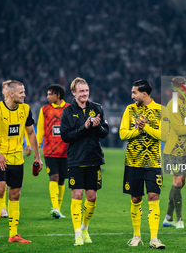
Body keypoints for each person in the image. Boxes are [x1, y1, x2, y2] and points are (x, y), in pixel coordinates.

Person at [0, 80, 42, 245]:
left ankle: (14, 234)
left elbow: (31, 133)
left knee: (15, 194)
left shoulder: (26, 109)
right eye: (22, 92)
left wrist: (37, 157)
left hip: (17, 158)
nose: (25, 95)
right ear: (11, 94)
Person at [60, 77, 109, 246]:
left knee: (92, 197)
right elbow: (65, 136)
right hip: (75, 159)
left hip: (94, 159)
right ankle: (77, 234)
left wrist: (98, 126)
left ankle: (85, 228)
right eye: (81, 91)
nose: (84, 94)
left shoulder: (97, 108)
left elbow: (105, 132)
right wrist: (84, 128)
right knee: (77, 194)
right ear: (73, 93)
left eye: (86, 91)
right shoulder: (67, 112)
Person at [120, 79, 167, 249]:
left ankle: (154, 238)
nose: (132, 96)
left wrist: (146, 128)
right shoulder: (129, 110)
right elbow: (122, 134)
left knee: (154, 196)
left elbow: (165, 136)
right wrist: (137, 131)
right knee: (135, 198)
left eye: (135, 93)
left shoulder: (161, 111)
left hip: (153, 162)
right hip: (133, 161)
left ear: (144, 94)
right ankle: (136, 236)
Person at [0, 80, 32, 218]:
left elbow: (26, 130)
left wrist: (28, 144)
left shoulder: (23, 109)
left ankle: (13, 230)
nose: (24, 95)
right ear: (8, 93)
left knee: (13, 191)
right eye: (21, 92)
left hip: (16, 155)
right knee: (0, 187)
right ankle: (0, 212)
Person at [162, 77, 186, 229]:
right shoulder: (173, 105)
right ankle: (179, 220)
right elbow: (179, 129)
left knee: (181, 183)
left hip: (185, 149)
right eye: (184, 88)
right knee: (177, 182)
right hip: (174, 149)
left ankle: (168, 217)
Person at [37, 84, 69, 219]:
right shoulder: (44, 110)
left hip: (66, 151)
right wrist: (37, 147)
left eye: (50, 94)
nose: (47, 97)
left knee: (62, 180)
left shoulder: (68, 109)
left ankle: (58, 210)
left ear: (58, 95)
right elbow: (40, 130)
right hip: (50, 151)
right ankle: (55, 207)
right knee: (54, 177)